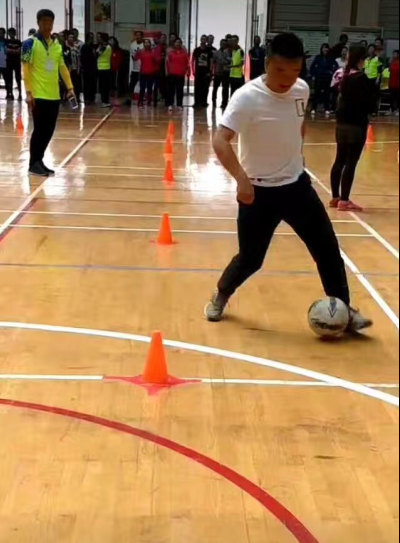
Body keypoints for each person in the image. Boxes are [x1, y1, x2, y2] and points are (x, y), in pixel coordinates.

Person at [205, 32, 372, 332]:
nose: (288, 78)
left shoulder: (301, 89)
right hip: (257, 192)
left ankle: (343, 310)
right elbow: (220, 140)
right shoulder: (246, 97)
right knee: (251, 259)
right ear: (267, 64)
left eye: (295, 71)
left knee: (327, 248)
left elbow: (299, 125)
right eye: (281, 70)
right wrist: (241, 180)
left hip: (297, 187)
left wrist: (298, 156)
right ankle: (221, 295)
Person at [22, 9, 75, 177]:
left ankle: (39, 161)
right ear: (38, 23)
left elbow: (62, 67)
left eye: (50, 22)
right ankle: (33, 163)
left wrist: (70, 88)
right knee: (39, 130)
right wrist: (28, 92)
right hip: (38, 95)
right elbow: (25, 69)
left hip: (54, 95)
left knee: (49, 130)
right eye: (44, 21)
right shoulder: (29, 43)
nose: (47, 25)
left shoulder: (56, 45)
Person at [330, 46, 375, 212]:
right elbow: (370, 105)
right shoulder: (362, 79)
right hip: (356, 125)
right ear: (361, 60)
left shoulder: (343, 75)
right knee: (351, 162)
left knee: (339, 159)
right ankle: (344, 200)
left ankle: (335, 197)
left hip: (341, 124)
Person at [311, 44, 338, 116]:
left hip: (327, 77)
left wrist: (332, 72)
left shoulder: (331, 58)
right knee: (317, 93)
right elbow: (312, 67)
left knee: (327, 93)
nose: (325, 50)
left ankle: (327, 108)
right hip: (319, 77)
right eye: (324, 48)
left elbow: (336, 66)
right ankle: (313, 108)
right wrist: (313, 75)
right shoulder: (318, 57)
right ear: (321, 49)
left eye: (326, 48)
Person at [166, 38, 189, 111]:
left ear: (181, 44)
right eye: (176, 42)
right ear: (174, 44)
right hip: (172, 74)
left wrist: (187, 71)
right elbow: (167, 63)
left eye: (179, 42)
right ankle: (170, 104)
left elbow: (187, 63)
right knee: (171, 91)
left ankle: (179, 105)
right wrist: (167, 71)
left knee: (180, 90)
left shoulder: (184, 53)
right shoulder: (170, 53)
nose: (177, 44)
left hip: (180, 75)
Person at [135, 38, 158, 108]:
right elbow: (136, 59)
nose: (147, 44)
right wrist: (136, 53)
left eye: (148, 42)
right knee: (142, 88)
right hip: (143, 73)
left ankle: (149, 102)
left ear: (150, 44)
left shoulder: (153, 52)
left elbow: (156, 61)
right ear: (143, 44)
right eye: (145, 42)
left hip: (151, 73)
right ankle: (140, 102)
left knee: (150, 88)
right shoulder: (141, 52)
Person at [192, 35, 213, 108]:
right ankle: (196, 102)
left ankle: (204, 102)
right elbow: (193, 60)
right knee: (197, 87)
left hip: (206, 72)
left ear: (206, 40)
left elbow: (211, 61)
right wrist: (193, 70)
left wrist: (210, 71)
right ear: (200, 40)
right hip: (198, 71)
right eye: (202, 39)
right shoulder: (196, 50)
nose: (203, 40)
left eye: (205, 39)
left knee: (205, 87)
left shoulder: (209, 50)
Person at [212, 38, 231, 109]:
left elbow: (230, 61)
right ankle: (214, 102)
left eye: (224, 44)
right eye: (222, 43)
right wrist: (213, 72)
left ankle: (224, 103)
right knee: (215, 88)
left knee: (225, 89)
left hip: (225, 73)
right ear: (220, 44)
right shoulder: (216, 52)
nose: (223, 45)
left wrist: (225, 61)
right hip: (217, 73)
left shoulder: (228, 52)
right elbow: (213, 62)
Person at [5, 28, 22, 101]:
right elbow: (6, 50)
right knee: (10, 79)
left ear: (15, 34)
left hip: (16, 62)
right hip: (9, 62)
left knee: (18, 78)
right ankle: (10, 94)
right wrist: (14, 50)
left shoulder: (18, 41)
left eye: (12, 33)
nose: (11, 34)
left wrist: (11, 50)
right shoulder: (7, 41)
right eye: (10, 33)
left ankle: (20, 94)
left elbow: (19, 51)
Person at [364, 44, 382, 114]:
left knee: (373, 95)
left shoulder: (377, 58)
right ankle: (367, 110)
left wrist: (378, 79)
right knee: (366, 95)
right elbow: (363, 69)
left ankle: (374, 110)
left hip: (374, 79)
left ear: (374, 50)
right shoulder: (366, 59)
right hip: (366, 79)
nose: (371, 50)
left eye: (372, 49)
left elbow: (379, 70)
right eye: (370, 48)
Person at [81, 32, 97, 105]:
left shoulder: (94, 47)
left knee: (93, 84)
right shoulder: (84, 47)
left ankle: (92, 98)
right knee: (86, 84)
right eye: (90, 37)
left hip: (93, 68)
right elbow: (82, 58)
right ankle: (86, 98)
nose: (92, 39)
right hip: (86, 68)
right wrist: (83, 67)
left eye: (92, 37)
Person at [63, 31, 81, 100]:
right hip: (68, 69)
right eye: (70, 37)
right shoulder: (65, 47)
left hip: (75, 68)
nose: (71, 39)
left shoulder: (76, 47)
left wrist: (78, 68)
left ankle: (77, 97)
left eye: (72, 37)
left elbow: (78, 58)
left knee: (76, 84)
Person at [128, 30, 144, 104]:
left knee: (142, 84)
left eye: (139, 35)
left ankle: (142, 99)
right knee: (132, 84)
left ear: (142, 36)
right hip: (135, 69)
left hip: (143, 68)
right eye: (137, 35)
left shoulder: (145, 45)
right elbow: (132, 57)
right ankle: (129, 99)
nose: (138, 37)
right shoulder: (132, 45)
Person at [96, 32, 112, 108]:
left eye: (99, 37)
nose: (97, 38)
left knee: (103, 86)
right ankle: (106, 101)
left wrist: (97, 51)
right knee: (105, 86)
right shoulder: (108, 46)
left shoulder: (104, 47)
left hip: (102, 68)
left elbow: (97, 55)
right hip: (106, 68)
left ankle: (104, 101)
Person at [110, 36, 124, 103]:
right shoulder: (108, 49)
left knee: (117, 81)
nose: (111, 42)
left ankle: (118, 93)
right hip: (109, 68)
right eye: (110, 41)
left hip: (117, 68)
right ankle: (111, 92)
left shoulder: (119, 50)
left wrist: (117, 66)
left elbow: (120, 59)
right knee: (111, 81)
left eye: (112, 41)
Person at [154, 33, 168, 102]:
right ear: (159, 39)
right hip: (159, 68)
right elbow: (155, 58)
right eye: (162, 38)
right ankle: (159, 96)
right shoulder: (157, 48)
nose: (163, 39)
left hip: (166, 68)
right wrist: (162, 58)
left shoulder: (167, 47)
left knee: (165, 83)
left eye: (164, 38)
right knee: (159, 82)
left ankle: (164, 96)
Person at [0, 28, 10, 99]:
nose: (0, 34)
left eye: (2, 33)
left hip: (5, 63)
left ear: (4, 33)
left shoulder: (7, 41)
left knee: (6, 79)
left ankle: (8, 93)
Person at [389, 50, 399, 115]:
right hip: (392, 82)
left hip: (398, 82)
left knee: (397, 97)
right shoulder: (391, 62)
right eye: (394, 54)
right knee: (392, 96)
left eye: (396, 54)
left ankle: (397, 109)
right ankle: (392, 109)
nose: (394, 55)